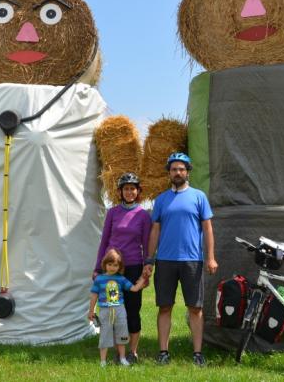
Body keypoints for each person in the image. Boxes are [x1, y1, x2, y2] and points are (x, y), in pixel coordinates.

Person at [143, 152, 218, 367]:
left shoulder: (198, 196)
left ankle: (197, 353)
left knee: (195, 308)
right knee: (164, 307)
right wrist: (150, 258)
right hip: (165, 260)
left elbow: (208, 228)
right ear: (169, 173)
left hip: (192, 260)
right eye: (174, 169)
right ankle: (163, 352)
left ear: (187, 172)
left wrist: (211, 257)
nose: (178, 172)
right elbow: (155, 230)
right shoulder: (161, 199)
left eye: (182, 169)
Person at [93, 172, 152, 363]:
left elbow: (145, 243)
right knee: (112, 308)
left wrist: (146, 269)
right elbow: (104, 241)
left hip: (134, 266)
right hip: (112, 267)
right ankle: (114, 351)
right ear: (120, 191)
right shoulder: (113, 212)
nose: (129, 192)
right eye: (126, 189)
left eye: (133, 188)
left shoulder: (143, 215)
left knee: (133, 309)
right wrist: (98, 267)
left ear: (138, 191)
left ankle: (132, 352)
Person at [89, 248, 147, 367]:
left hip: (120, 310)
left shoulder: (121, 279)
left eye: (115, 265)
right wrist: (91, 311)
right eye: (109, 264)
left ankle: (122, 358)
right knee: (105, 335)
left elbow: (134, 289)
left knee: (122, 334)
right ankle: (103, 361)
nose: (112, 267)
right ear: (105, 264)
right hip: (105, 311)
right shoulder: (99, 279)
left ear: (119, 266)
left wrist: (143, 279)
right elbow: (94, 295)